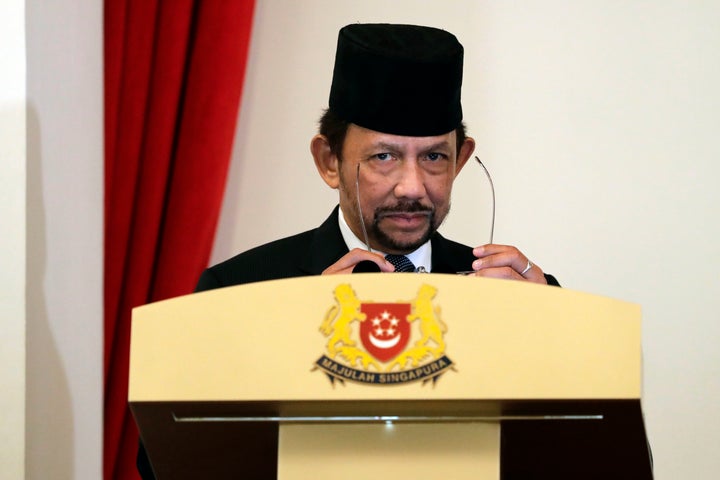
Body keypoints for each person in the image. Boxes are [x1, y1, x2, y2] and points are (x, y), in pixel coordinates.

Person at [137, 22, 558, 478]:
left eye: (435, 157)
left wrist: (557, 336)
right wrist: (292, 340)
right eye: (384, 156)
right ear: (330, 161)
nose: (412, 187)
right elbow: (166, 465)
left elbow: (595, 456)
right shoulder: (238, 290)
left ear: (460, 159)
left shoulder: (520, 296)